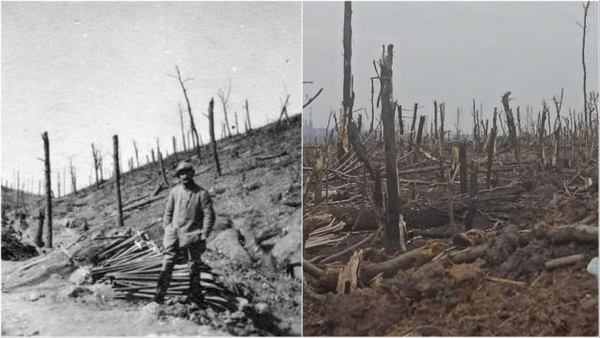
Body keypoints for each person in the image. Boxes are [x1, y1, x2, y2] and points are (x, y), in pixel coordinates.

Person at [155, 160, 215, 303]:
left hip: (192, 236)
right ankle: (159, 296)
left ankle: (194, 296)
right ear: (178, 176)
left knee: (193, 265)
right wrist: (167, 228)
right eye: (181, 174)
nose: (184, 176)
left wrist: (204, 233)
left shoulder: (202, 193)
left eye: (187, 172)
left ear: (192, 173)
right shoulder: (175, 191)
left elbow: (209, 215)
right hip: (173, 236)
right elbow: (168, 212)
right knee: (167, 264)